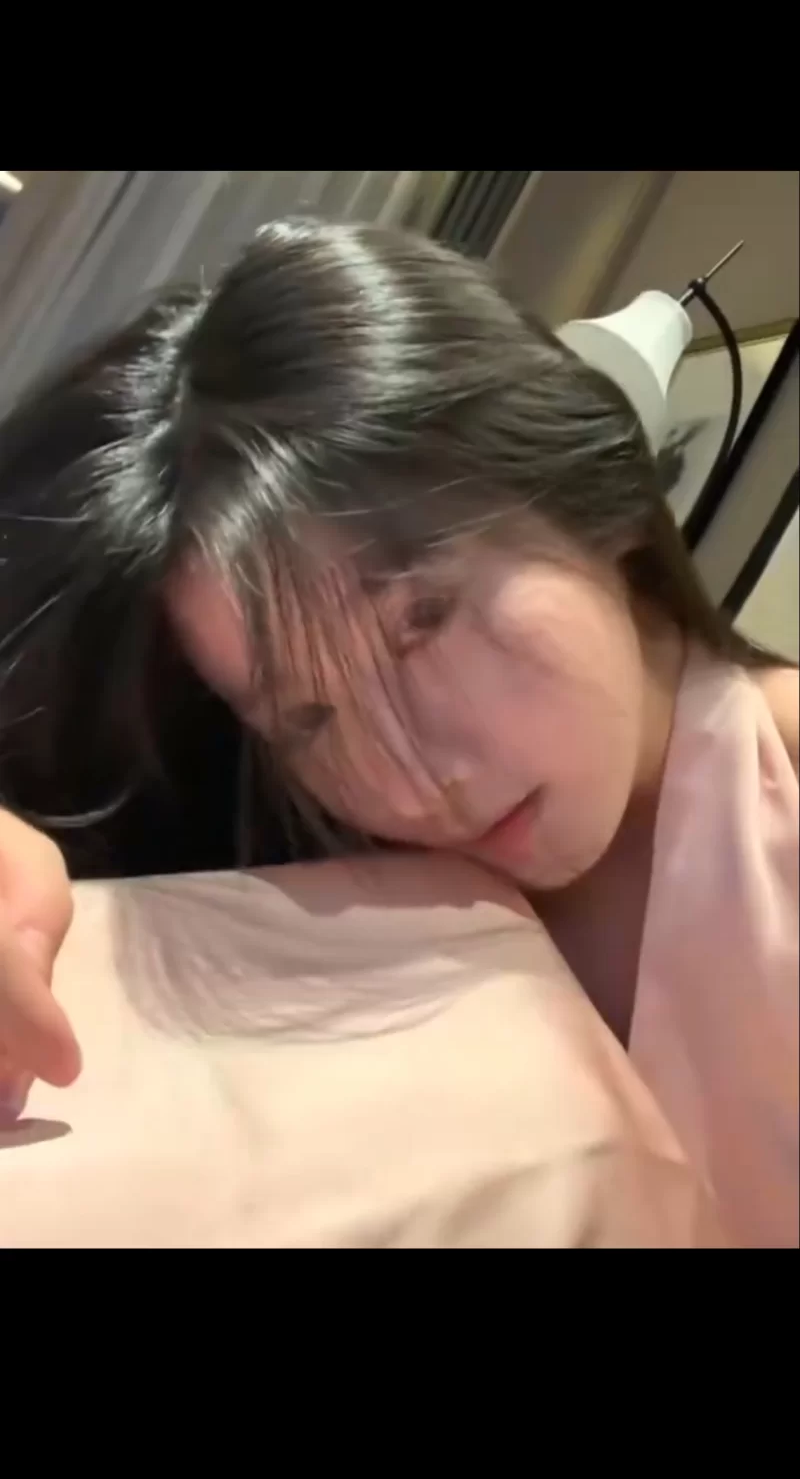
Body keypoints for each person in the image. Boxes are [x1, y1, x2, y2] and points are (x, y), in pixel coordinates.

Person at [0, 217, 797, 1242]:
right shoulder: (319, 893)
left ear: (593, 496)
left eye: (423, 621)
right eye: (307, 718)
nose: (417, 777)